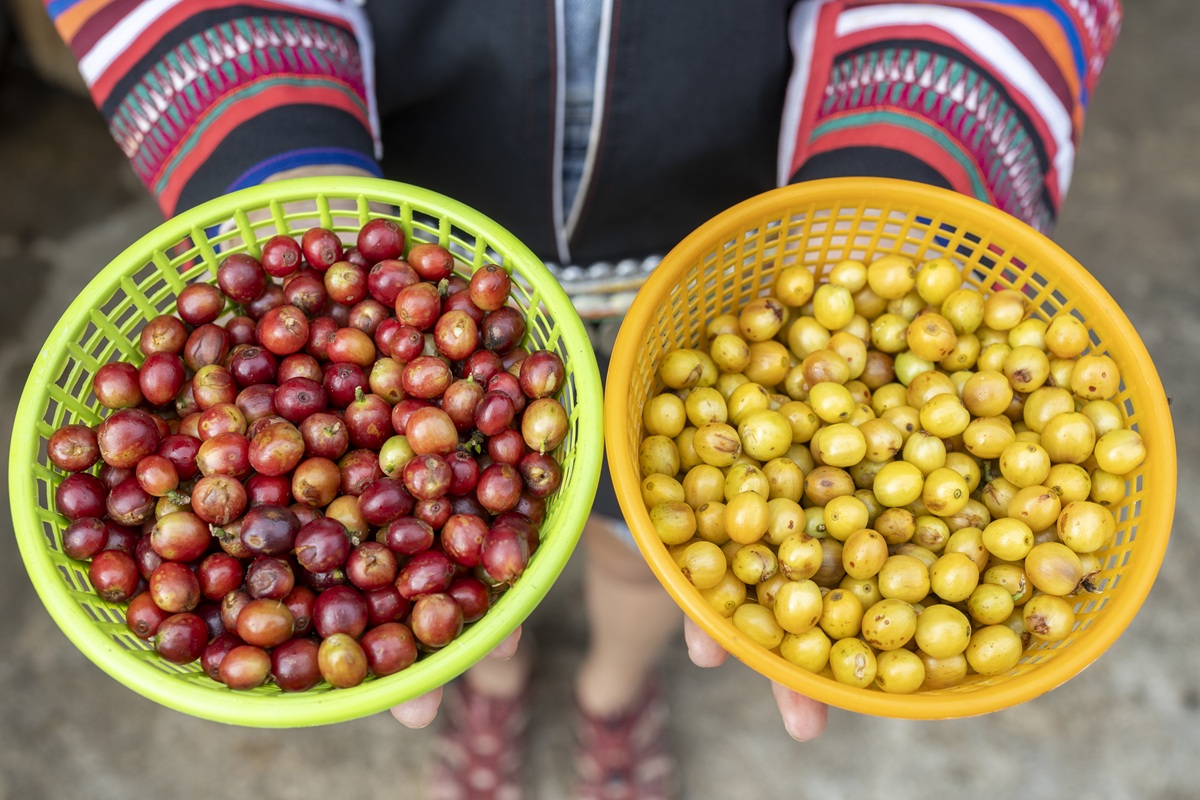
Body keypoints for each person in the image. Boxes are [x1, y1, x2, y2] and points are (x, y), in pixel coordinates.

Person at [45, 1, 1121, 797]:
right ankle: (491, 683)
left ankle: (611, 687)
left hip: (733, 261)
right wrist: (268, 146)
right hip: (412, 209)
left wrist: (905, 160)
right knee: (498, 558)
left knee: (642, 527)